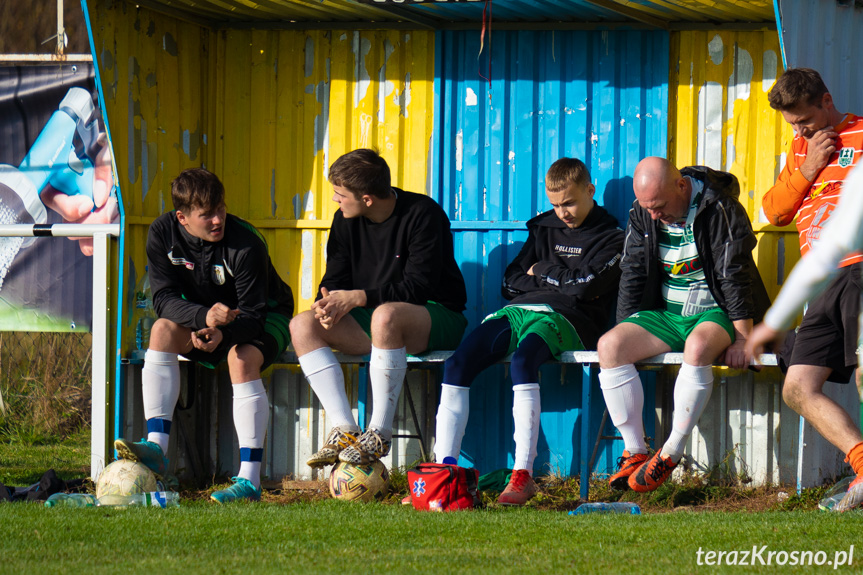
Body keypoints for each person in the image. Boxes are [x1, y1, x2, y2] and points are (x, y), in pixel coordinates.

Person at [432, 158, 624, 505]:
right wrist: (558, 278)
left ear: (590, 191)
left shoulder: (612, 237)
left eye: (569, 203)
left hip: (569, 317)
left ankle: (523, 474)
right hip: (519, 309)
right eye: (554, 204)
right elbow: (509, 282)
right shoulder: (543, 228)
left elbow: (584, 288)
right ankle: (444, 472)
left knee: (523, 362)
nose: (562, 212)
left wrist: (543, 271)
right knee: (458, 363)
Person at [114, 168, 294, 503]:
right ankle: (158, 449)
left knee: (240, 358)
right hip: (205, 323)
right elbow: (162, 299)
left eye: (221, 209)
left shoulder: (246, 243)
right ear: (182, 217)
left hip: (266, 316)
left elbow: (254, 317)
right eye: (206, 214)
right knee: (162, 330)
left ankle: (250, 482)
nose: (217, 220)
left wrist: (219, 334)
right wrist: (202, 320)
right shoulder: (162, 232)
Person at [597, 157, 770, 492]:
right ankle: (634, 452)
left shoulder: (720, 207)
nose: (653, 215)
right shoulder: (642, 212)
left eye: (658, 206)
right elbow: (632, 272)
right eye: (647, 207)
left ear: (681, 185)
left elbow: (734, 275)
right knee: (610, 346)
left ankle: (671, 452)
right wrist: (626, 325)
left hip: (712, 312)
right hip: (666, 313)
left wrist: (742, 339)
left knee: (698, 347)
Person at [290, 149, 467, 469]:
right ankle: (344, 428)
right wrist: (326, 302)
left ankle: (379, 433)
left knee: (387, 315)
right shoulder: (344, 219)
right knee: (302, 325)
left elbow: (418, 288)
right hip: (376, 319)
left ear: (368, 198)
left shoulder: (423, 213)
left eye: (341, 194)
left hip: (435, 313)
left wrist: (356, 298)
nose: (335, 200)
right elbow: (335, 277)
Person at [748, 67, 863, 511]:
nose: (800, 130)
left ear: (826, 100)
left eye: (805, 121)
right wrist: (810, 165)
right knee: (797, 386)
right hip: (822, 279)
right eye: (793, 125)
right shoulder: (801, 151)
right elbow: (774, 210)